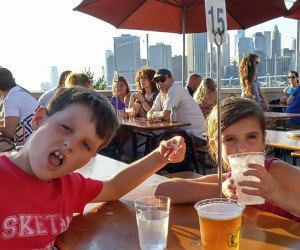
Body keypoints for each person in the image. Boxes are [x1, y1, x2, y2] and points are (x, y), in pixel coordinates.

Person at [0, 86, 186, 248]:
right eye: (65, 127)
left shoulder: (68, 187)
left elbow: (114, 187)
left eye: (86, 145)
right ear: (39, 119)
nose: (71, 144)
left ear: (87, 160)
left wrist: (161, 156)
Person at [155, 97, 300, 222]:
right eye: (230, 139)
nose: (242, 148)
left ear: (263, 140)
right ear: (214, 146)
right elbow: (164, 191)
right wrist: (221, 190)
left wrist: (280, 196)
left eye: (251, 137)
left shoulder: (276, 171)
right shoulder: (229, 179)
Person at [147, 68, 206, 146]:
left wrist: (153, 115)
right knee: (153, 138)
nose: (159, 83)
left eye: (162, 79)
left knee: (158, 140)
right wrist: (152, 114)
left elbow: (166, 116)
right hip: (182, 132)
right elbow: (150, 113)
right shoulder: (162, 93)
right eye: (157, 81)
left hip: (196, 136)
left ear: (172, 79)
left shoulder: (175, 89)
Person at [0, 67, 39, 151]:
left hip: (28, 149)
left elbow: (9, 132)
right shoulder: (20, 92)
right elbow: (12, 120)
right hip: (38, 142)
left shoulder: (10, 99)